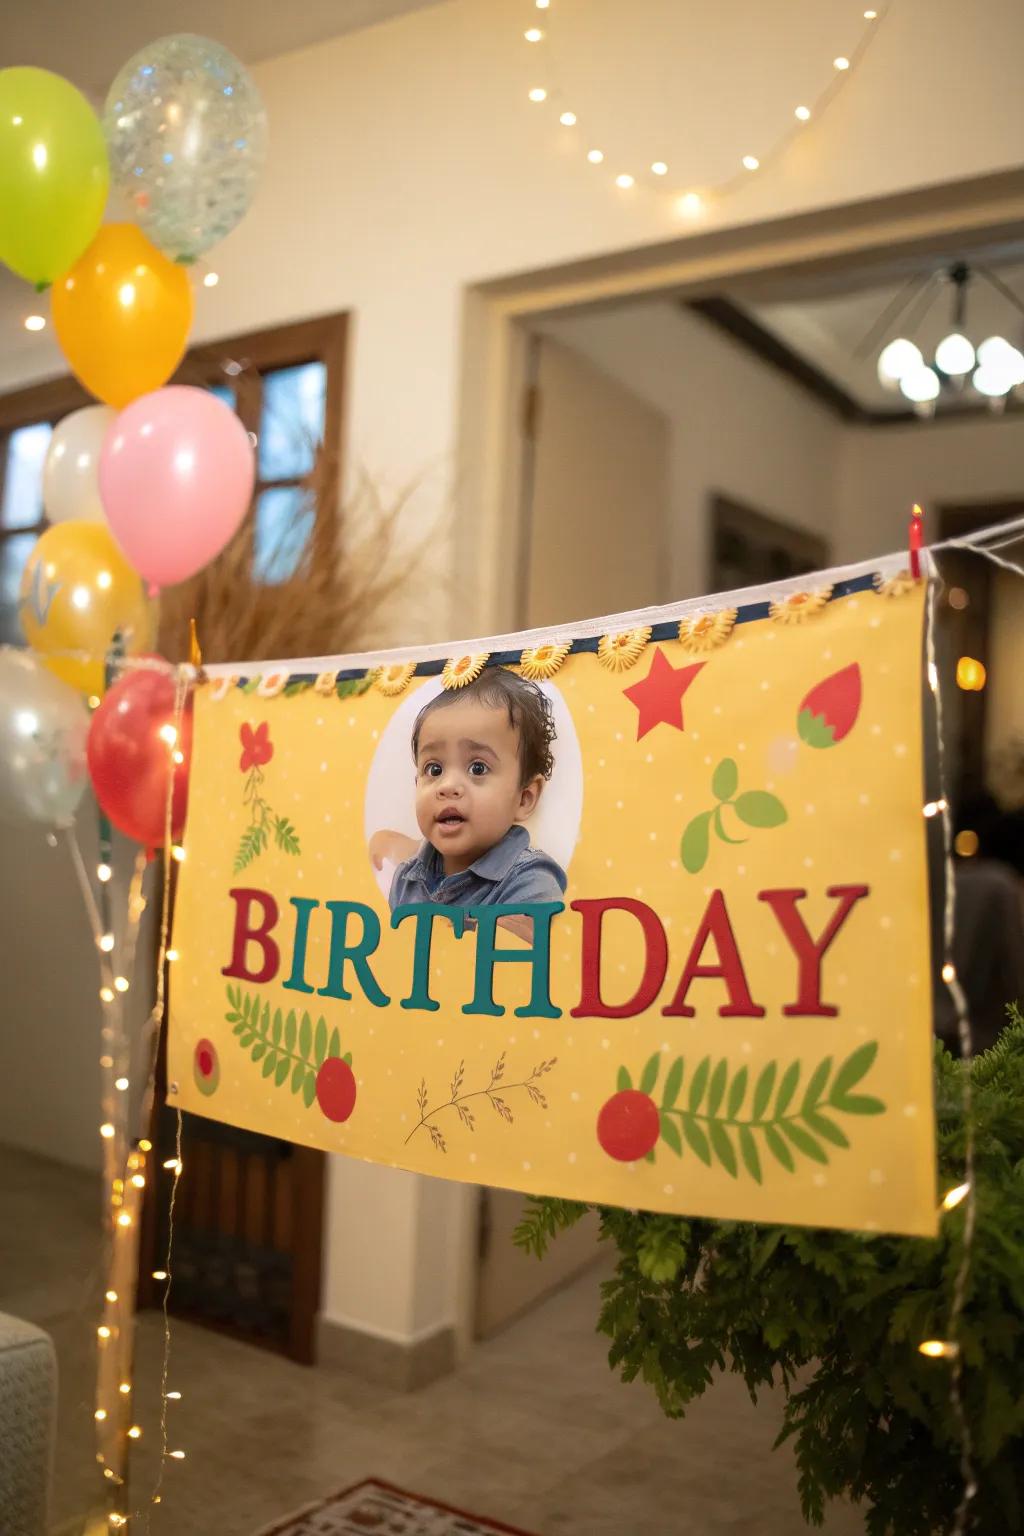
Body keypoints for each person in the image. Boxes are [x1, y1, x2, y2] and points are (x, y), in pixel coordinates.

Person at [368, 668, 567, 942]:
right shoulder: (407, 879)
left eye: (477, 768)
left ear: (524, 798)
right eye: (434, 769)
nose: (447, 786)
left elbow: (524, 959)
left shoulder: (530, 880)